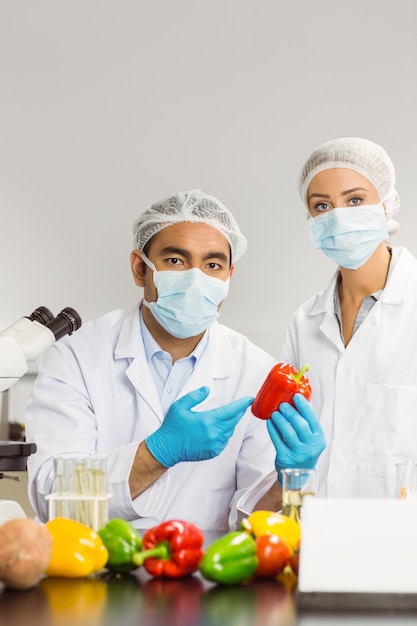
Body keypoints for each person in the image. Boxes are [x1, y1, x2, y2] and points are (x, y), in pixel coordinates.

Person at [25, 189, 284, 531]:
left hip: (207, 571)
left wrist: (286, 481)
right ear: (139, 268)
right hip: (94, 565)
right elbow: (51, 494)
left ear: (229, 276)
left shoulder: (256, 371)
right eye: (175, 261)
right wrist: (158, 453)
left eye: (212, 265)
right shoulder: (76, 357)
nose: (196, 278)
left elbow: (253, 523)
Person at [238, 136, 417, 512]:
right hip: (314, 536)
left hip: (401, 543)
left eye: (354, 200)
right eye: (322, 205)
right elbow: (283, 449)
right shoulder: (305, 322)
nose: (338, 216)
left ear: (388, 203)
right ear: (311, 221)